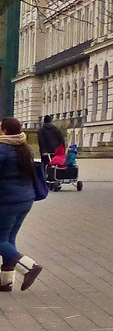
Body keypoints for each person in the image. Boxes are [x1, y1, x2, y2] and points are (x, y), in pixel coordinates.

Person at [0, 118, 44, 291]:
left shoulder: (3, 150)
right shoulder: (24, 147)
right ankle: (6, 281)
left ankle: (29, 267)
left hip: (8, 201)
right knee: (8, 239)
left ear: (4, 130)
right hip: (25, 199)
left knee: (1, 240)